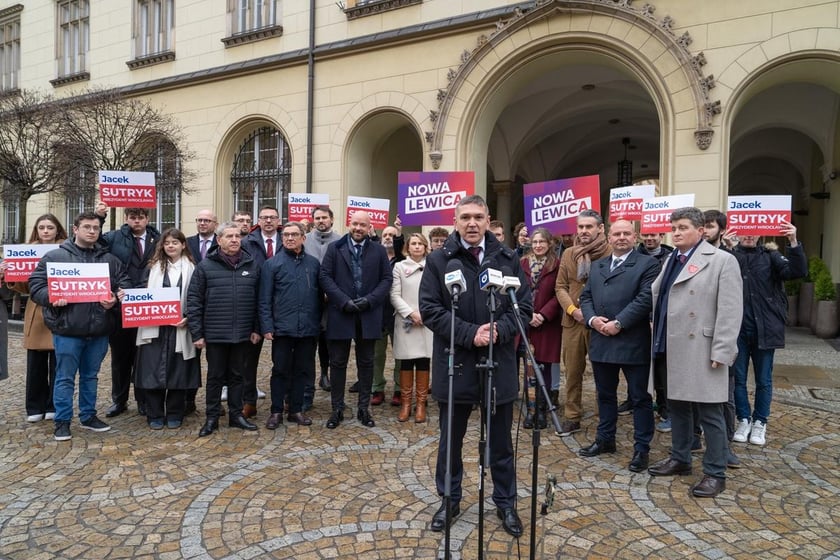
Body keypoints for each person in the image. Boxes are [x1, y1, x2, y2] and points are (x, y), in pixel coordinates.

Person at [419, 195, 531, 539]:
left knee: (500, 442)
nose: (471, 223)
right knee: (450, 441)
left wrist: (499, 331)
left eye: (478, 217)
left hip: (499, 364)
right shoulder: (439, 261)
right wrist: (471, 334)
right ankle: (449, 499)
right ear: (455, 221)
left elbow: (523, 308)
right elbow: (430, 309)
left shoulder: (509, 258)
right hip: (457, 364)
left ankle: (505, 501)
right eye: (465, 217)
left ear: (487, 220)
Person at [647, 207, 743, 499]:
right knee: (677, 407)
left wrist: (723, 349)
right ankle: (681, 458)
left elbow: (730, 309)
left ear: (701, 230)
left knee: (710, 412)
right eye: (673, 227)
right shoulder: (671, 259)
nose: (676, 232)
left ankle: (715, 472)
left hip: (702, 347)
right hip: (670, 344)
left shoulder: (722, 261)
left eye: (683, 227)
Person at [28, 211, 130, 442]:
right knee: (64, 377)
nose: (92, 231)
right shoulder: (55, 257)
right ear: (75, 229)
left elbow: (124, 284)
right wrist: (51, 297)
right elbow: (36, 285)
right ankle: (62, 421)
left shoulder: (110, 260)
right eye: (87, 227)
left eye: (95, 228)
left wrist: (116, 298)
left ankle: (88, 416)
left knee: (90, 376)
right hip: (68, 329)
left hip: (99, 330)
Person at [578, 219, 659, 472]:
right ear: (608, 237)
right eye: (617, 234)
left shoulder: (649, 264)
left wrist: (619, 322)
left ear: (634, 237)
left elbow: (646, 298)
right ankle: (605, 439)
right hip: (601, 339)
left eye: (626, 233)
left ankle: (641, 449)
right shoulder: (598, 265)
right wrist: (592, 319)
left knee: (640, 398)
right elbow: (586, 296)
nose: (621, 237)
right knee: (604, 395)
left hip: (632, 341)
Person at [730, 220, 807, 446]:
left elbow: (796, 271)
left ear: (760, 233)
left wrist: (793, 241)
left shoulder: (770, 256)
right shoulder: (732, 256)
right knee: (739, 379)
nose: (749, 236)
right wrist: (730, 249)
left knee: (764, 380)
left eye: (753, 232)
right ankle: (743, 419)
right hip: (739, 330)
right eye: (744, 232)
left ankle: (760, 422)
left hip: (766, 328)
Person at [319, 210, 392, 429]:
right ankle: (337, 408)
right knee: (338, 362)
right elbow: (325, 277)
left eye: (363, 225)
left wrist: (370, 300)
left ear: (370, 227)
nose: (358, 228)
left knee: (366, 362)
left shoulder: (378, 250)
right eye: (355, 224)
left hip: (368, 314)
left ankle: (363, 408)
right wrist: (343, 301)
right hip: (341, 313)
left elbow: (386, 279)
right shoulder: (335, 248)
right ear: (349, 224)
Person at [187, 221, 261, 437]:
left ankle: (236, 415)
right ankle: (211, 417)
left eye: (238, 236)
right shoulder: (205, 266)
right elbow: (194, 300)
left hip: (243, 333)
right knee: (216, 377)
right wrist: (197, 333)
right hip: (215, 333)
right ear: (219, 240)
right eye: (229, 236)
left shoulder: (251, 264)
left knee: (239, 376)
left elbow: (259, 300)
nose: (235, 240)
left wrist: (256, 328)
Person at [97, 206, 161, 419]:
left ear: (146, 219)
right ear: (126, 218)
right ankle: (119, 400)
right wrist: (100, 216)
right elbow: (94, 242)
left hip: (147, 306)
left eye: (140, 217)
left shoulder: (158, 238)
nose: (137, 221)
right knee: (120, 358)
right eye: (132, 217)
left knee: (144, 357)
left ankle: (143, 400)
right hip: (120, 306)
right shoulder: (114, 237)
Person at [134, 228, 200, 430]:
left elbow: (197, 296)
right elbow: (141, 292)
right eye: (167, 243)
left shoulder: (193, 268)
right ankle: (154, 413)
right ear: (162, 246)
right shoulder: (152, 268)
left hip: (181, 329)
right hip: (154, 329)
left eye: (175, 242)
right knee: (152, 370)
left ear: (183, 245)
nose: (171, 246)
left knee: (178, 371)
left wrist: (189, 318)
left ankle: (174, 412)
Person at [259, 221, 322, 429]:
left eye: (294, 234)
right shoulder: (272, 264)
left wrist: (317, 323)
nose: (289, 238)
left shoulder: (313, 264)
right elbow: (264, 299)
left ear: (303, 238)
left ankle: (296, 409)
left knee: (302, 370)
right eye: (286, 235)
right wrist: (267, 326)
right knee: (280, 370)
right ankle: (276, 411)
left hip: (308, 327)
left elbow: (319, 297)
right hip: (282, 328)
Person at [5, 214, 68, 422]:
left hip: (61, 309)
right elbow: (24, 287)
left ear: (57, 229)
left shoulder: (67, 251)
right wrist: (9, 275)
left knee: (59, 364)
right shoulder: (26, 251)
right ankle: (34, 407)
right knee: (35, 365)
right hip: (37, 311)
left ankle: (53, 404)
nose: (46, 231)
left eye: (50, 227)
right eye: (42, 227)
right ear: (37, 230)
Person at [554, 209, 611, 435]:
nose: (584, 231)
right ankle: (572, 415)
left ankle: (605, 418)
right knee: (573, 371)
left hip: (600, 322)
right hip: (573, 321)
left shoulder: (609, 252)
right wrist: (572, 309)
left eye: (589, 227)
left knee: (603, 373)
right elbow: (560, 286)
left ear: (600, 228)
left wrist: (593, 315)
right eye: (581, 227)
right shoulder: (569, 253)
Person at [622, 230, 674, 420]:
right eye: (646, 234)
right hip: (637, 319)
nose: (649, 238)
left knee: (661, 365)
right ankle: (633, 399)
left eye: (653, 234)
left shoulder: (671, 256)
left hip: (661, 318)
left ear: (661, 235)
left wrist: (654, 317)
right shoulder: (633, 256)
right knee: (634, 363)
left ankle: (664, 405)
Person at [519, 227, 562, 429]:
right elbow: (516, 290)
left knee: (543, 368)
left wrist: (543, 314)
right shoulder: (521, 264)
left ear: (549, 243)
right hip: (526, 323)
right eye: (535, 242)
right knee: (529, 370)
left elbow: (559, 293)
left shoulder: (557, 265)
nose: (538, 246)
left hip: (547, 324)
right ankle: (531, 410)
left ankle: (542, 412)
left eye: (541, 242)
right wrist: (527, 315)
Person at [240, 206, 280, 418]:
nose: (268, 221)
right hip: (253, 307)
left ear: (278, 220)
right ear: (258, 221)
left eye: (272, 218)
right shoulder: (247, 243)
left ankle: (282, 401)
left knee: (282, 360)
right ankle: (249, 401)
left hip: (281, 308)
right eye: (264, 218)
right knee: (249, 360)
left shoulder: (288, 239)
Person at [390, 233, 433, 422]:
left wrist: (426, 313)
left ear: (425, 247)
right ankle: (406, 403)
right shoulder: (399, 267)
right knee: (406, 361)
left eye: (420, 244)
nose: (416, 247)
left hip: (426, 321)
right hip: (406, 320)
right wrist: (410, 313)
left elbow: (437, 293)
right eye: (413, 243)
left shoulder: (432, 267)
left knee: (423, 361)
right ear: (408, 247)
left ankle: (421, 404)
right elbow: (394, 294)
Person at [303, 205, 342, 394]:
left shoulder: (341, 240)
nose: (321, 221)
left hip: (332, 299)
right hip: (308, 298)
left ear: (332, 220)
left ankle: (326, 373)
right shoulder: (305, 240)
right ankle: (308, 379)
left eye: (324, 218)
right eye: (317, 218)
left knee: (329, 338)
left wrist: (332, 291)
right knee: (311, 339)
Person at [183, 209, 218, 415]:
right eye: (199, 220)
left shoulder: (221, 242)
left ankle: (215, 402)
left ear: (215, 223)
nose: (202, 223)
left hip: (214, 307)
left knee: (216, 361)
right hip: (192, 305)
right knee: (191, 357)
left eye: (207, 220)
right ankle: (189, 398)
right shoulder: (187, 243)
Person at [372, 220, 404, 406]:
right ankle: (377, 388)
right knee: (377, 354)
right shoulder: (376, 257)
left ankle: (399, 389)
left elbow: (400, 246)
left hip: (397, 314)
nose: (388, 238)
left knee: (400, 354)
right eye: (385, 235)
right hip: (378, 314)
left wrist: (399, 232)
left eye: (391, 235)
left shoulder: (402, 259)